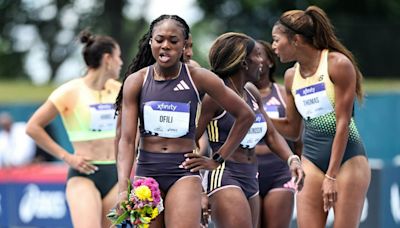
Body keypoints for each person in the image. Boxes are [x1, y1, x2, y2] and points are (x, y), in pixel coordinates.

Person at [115, 15, 255, 228]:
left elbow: (246, 116)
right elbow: (126, 141)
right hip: (147, 173)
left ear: (184, 45)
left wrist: (217, 158)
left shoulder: (199, 77)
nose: (166, 46)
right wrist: (123, 189)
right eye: (160, 39)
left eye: (173, 41)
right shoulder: (137, 81)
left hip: (183, 172)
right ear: (150, 42)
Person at [181, 32, 305, 228]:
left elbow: (271, 135)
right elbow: (189, 140)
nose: (262, 61)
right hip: (224, 176)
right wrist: (199, 189)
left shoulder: (251, 92)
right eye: (257, 55)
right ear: (243, 63)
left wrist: (292, 159)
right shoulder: (214, 97)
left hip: (250, 176)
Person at [270, 5, 370, 228]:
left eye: (276, 40)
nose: (273, 46)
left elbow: (343, 122)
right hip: (312, 161)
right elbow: (292, 129)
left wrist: (331, 176)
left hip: (347, 160)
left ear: (295, 39)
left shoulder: (338, 64)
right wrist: (259, 115)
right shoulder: (290, 76)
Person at [26, 30, 123, 228]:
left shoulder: (120, 90)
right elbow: (32, 127)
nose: (121, 62)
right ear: (108, 59)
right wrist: (67, 156)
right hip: (84, 174)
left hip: (116, 174)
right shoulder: (69, 91)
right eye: (118, 56)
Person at [254, 40, 303, 228]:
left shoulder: (283, 93)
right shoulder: (237, 96)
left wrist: (298, 162)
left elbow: (297, 136)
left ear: (270, 62)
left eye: (259, 55)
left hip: (279, 172)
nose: (254, 60)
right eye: (250, 57)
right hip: (248, 170)